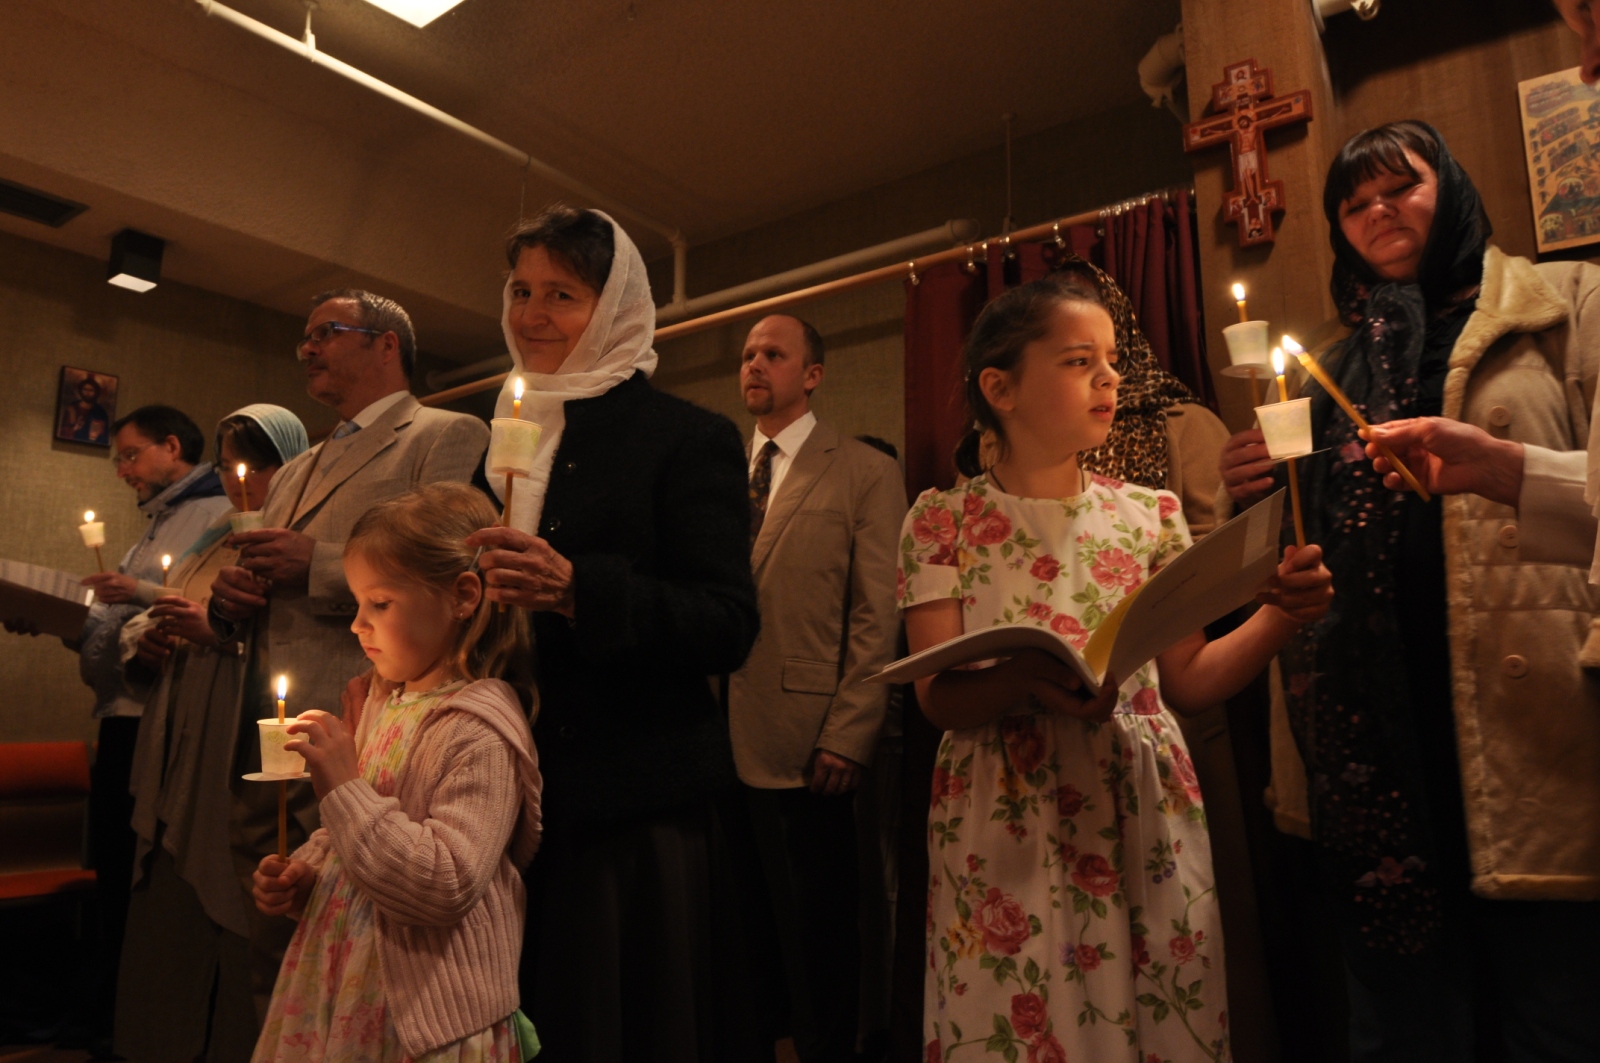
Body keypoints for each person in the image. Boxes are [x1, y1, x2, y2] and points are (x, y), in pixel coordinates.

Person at [1218, 121, 1600, 1061]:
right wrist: (1256, 487)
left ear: (1453, 189)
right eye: (1354, 203)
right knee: (1401, 1022)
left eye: (1402, 187)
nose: (1378, 212)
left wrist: (1506, 465)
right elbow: (1298, 532)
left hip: (1527, 711)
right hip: (1378, 731)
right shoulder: (1327, 363)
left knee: (1553, 1008)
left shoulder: (1565, 302)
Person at [901, 272, 1332, 1063]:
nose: (1109, 379)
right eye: (1078, 361)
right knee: (1018, 1018)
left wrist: (1280, 616)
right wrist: (1027, 679)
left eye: (1111, 361)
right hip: (1007, 805)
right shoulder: (941, 519)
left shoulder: (1148, 513)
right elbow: (938, 697)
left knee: (1157, 1007)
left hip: (1135, 793)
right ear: (1000, 388)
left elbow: (1189, 678)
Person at [469, 205, 761, 1061]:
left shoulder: (686, 437)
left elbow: (727, 623)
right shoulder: (495, 438)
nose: (532, 314)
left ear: (617, 307)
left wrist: (578, 591)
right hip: (500, 789)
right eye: (521, 290)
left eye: (562, 294)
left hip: (627, 799)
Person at [208, 289, 490, 1013]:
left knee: (353, 920)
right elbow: (270, 575)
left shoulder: (444, 432)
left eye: (324, 332)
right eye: (304, 337)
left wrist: (321, 563)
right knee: (272, 901)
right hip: (269, 712)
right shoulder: (298, 466)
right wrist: (232, 597)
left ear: (386, 344)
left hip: (361, 710)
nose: (306, 348)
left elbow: (448, 557)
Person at [249, 483, 541, 1062]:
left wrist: (343, 786)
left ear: (462, 596)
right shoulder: (384, 700)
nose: (358, 625)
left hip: (423, 1009)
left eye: (379, 604)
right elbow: (349, 836)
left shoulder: (480, 728)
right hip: (346, 977)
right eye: (357, 604)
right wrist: (309, 874)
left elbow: (445, 885)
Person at [726, 314, 906, 1062]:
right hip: (716, 735)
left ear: (812, 374)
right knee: (742, 929)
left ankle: (832, 1048)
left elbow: (877, 612)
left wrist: (851, 730)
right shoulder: (718, 473)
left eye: (773, 353)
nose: (754, 364)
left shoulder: (863, 469)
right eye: (747, 354)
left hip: (811, 738)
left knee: (821, 927)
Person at [113, 405, 309, 1063]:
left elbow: (297, 647)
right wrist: (150, 639)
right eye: (226, 465)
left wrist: (216, 633)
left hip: (234, 731)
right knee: (168, 909)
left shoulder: (295, 542)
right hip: (181, 727)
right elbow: (161, 604)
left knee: (231, 894)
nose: (237, 479)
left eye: (256, 464)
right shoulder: (212, 536)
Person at [38, 404, 232, 1051]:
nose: (122, 470)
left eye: (130, 454)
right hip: (121, 710)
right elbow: (121, 623)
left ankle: (124, 1021)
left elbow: (193, 610)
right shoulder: (158, 522)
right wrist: (65, 622)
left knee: (133, 874)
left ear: (172, 447)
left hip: (155, 716)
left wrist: (136, 601)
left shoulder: (212, 513)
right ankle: (106, 1013)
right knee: (112, 868)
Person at [59, 376, 112, 444]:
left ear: (96, 392)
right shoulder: (72, 409)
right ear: (81, 390)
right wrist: (74, 428)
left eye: (91, 390)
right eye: (85, 389)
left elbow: (103, 437)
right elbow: (64, 432)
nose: (87, 393)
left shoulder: (100, 412)